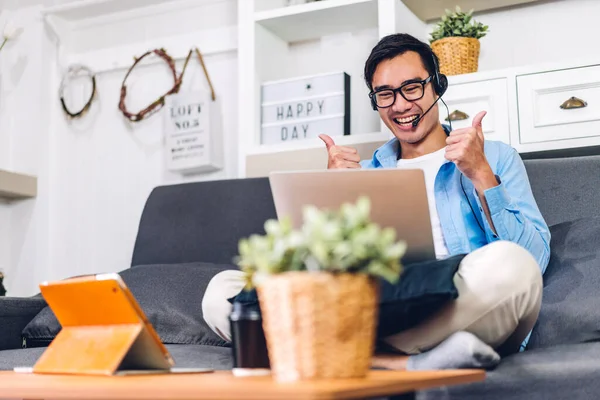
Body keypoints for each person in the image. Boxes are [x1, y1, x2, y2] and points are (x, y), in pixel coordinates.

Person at [201, 33, 550, 370]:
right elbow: (315, 278)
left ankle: (349, 356)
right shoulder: (361, 172)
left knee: (513, 267)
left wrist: (481, 175)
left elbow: (534, 258)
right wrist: (329, 199)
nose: (399, 105)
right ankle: (402, 363)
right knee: (222, 293)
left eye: (412, 88)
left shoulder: (495, 158)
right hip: (375, 307)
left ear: (438, 86)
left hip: (449, 304)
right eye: (385, 94)